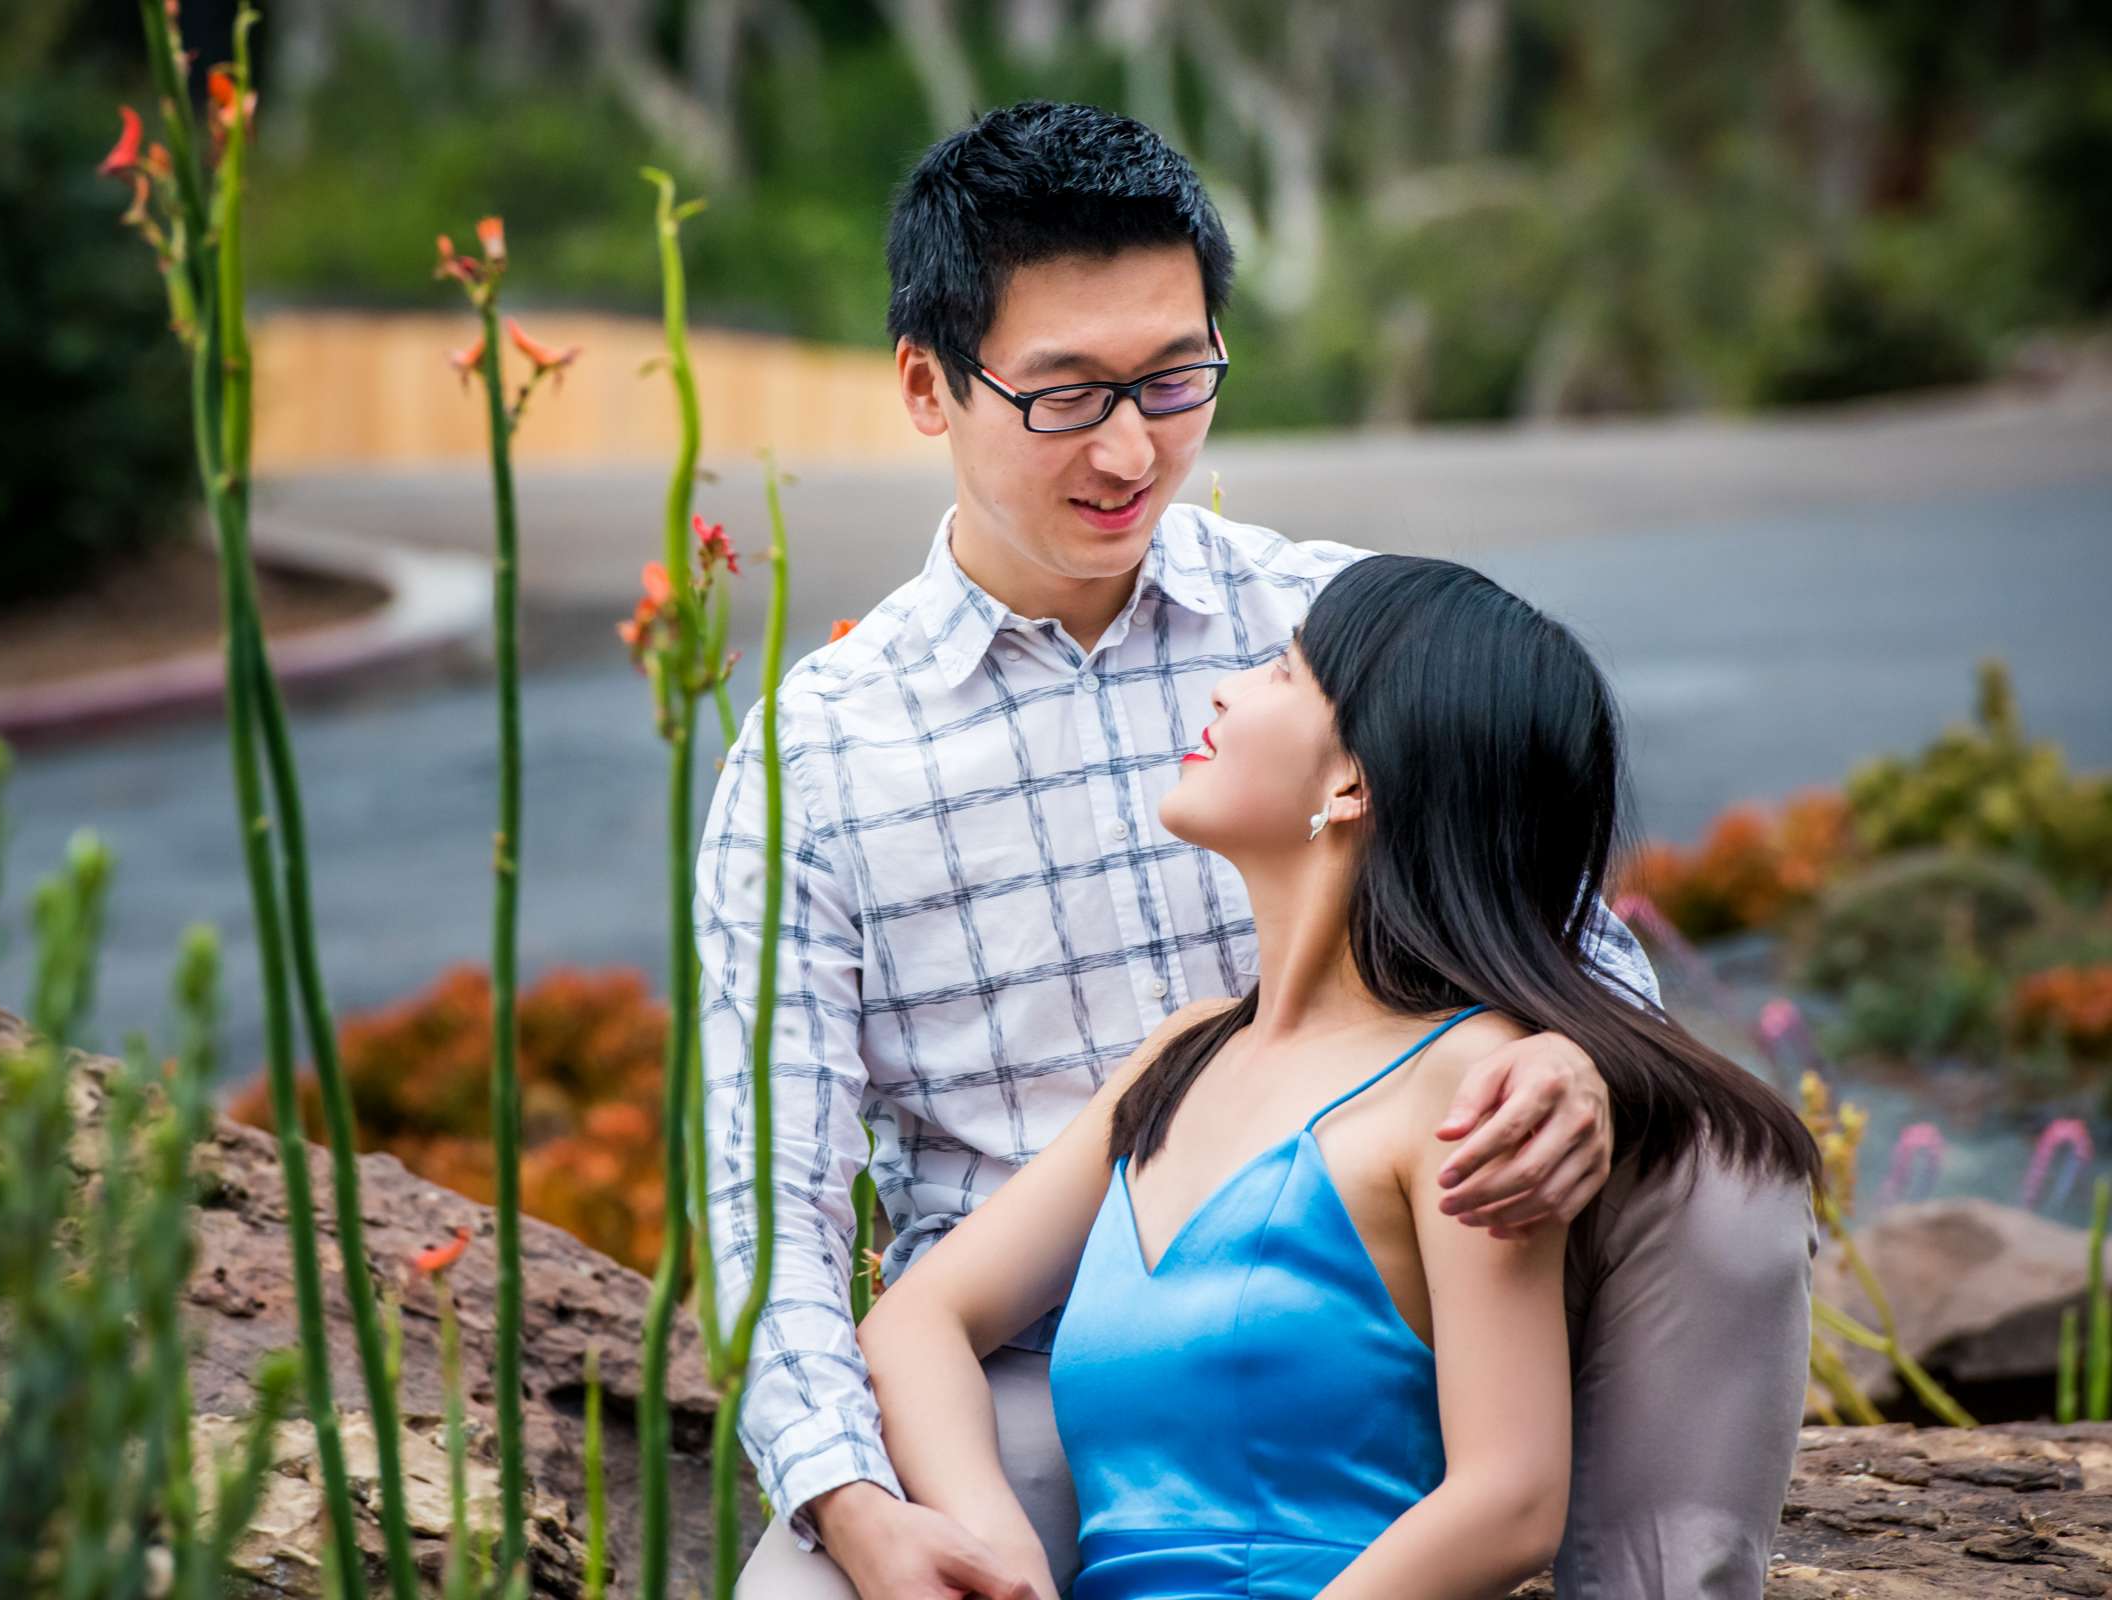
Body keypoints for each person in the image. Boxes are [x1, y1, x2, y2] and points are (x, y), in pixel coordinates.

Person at [696, 100, 1817, 1600]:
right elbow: (768, 1211)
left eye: (1174, 378)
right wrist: (856, 1503)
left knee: (1728, 1182)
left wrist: (1577, 1065)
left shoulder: (1334, 625)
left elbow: (1542, 931)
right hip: (1066, 1372)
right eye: (1064, 395)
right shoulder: (811, 763)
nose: (1129, 446)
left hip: (1423, 1266)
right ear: (925, 384)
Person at [854, 554, 1824, 1599]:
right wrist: (999, 1547)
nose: (1225, 687)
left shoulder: (1473, 1084)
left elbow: (1512, 1498)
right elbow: (919, 1318)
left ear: (1354, 779)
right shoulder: (1180, 1059)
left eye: (1282, 671)